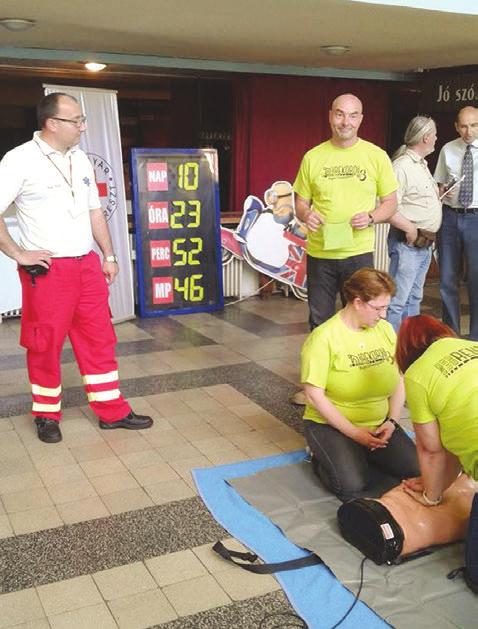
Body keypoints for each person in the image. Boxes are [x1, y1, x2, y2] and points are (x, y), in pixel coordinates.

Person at [0, 92, 153, 444]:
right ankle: (46, 414)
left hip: (86, 267)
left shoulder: (80, 159)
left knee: (99, 340)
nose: (83, 126)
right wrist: (18, 253)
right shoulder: (19, 160)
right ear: (52, 123)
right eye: (76, 121)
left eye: (83, 120)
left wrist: (109, 255)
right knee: (45, 345)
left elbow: (94, 211)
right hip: (48, 270)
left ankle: (111, 411)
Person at [291, 93, 398, 405]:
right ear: (330, 116)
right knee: (320, 320)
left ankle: (363, 381)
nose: (345, 122)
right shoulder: (313, 157)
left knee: (363, 317)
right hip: (321, 253)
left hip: (358, 253)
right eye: (340, 115)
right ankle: (316, 388)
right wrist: (305, 214)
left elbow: (391, 202)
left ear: (361, 119)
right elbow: (300, 201)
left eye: (352, 116)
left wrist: (373, 216)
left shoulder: (375, 156)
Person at [301, 268, 419, 502]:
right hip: (331, 425)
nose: (384, 315)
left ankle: (364, 451)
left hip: (379, 423)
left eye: (386, 307)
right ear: (357, 302)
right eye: (378, 308)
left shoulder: (384, 330)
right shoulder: (324, 337)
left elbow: (399, 378)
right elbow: (314, 395)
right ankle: (319, 455)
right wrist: (354, 433)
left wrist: (392, 422)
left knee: (418, 470)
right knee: (351, 485)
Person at [396, 314, 478, 592]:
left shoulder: (418, 375)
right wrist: (441, 482)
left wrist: (431, 496)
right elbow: (450, 442)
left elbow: (432, 448)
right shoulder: (473, 346)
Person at [386, 116, 442, 331]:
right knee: (398, 301)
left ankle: (410, 345)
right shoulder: (401, 167)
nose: (436, 138)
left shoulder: (421, 165)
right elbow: (389, 206)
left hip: (424, 243)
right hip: (408, 243)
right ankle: (394, 349)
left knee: (414, 298)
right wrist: (409, 229)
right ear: (426, 137)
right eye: (434, 134)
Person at [434, 106, 478, 339]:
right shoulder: (448, 149)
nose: (468, 131)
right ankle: (450, 335)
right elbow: (439, 184)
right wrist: (442, 190)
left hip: (476, 218)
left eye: (473, 125)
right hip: (450, 216)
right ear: (456, 126)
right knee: (447, 279)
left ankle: (476, 338)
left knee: (476, 280)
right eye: (463, 126)